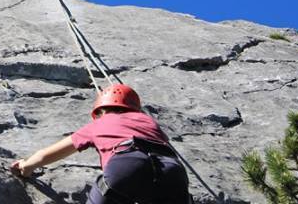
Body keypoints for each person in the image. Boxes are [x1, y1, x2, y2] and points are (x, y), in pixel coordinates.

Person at [10, 84, 190, 203]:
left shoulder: (98, 124)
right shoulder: (147, 121)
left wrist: (26, 166)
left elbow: (47, 154)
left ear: (100, 110)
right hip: (172, 170)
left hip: (128, 163)